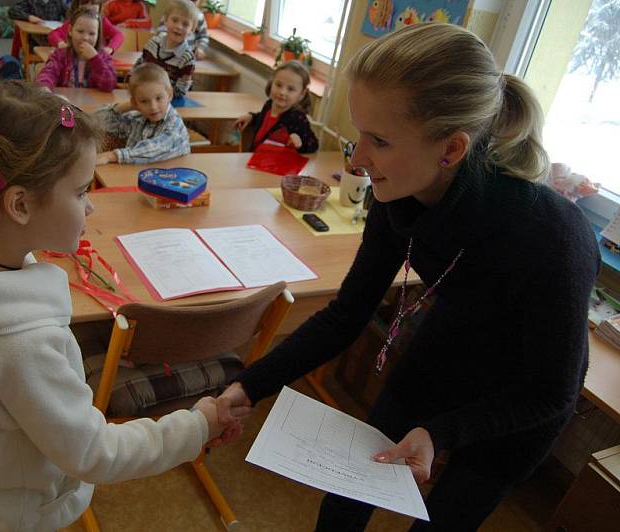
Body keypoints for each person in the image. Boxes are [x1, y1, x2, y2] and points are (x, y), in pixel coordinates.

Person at [216, 22, 600, 531]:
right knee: (347, 496)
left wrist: (440, 434)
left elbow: (552, 391)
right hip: (448, 349)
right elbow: (346, 315)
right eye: (358, 135)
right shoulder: (397, 193)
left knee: (445, 518)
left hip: (523, 397)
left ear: (452, 149)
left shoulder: (552, 237)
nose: (357, 158)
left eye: (378, 141)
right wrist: (248, 387)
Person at [0, 79, 231, 532]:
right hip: (20, 517)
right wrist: (197, 426)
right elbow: (95, 453)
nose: (91, 210)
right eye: (82, 192)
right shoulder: (23, 346)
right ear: (19, 204)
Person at [93, 62, 190, 165]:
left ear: (169, 95)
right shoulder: (137, 117)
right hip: (138, 174)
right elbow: (96, 121)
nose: (153, 107)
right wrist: (125, 106)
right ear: (135, 102)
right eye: (144, 101)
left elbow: (154, 149)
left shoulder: (174, 123)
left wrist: (110, 156)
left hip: (170, 178)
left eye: (158, 98)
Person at [234, 60, 319, 153]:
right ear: (272, 83)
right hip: (255, 157)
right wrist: (252, 117)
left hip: (276, 164)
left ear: (301, 94)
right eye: (278, 85)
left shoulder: (298, 118)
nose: (282, 92)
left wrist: (300, 142)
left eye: (290, 89)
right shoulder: (269, 104)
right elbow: (264, 120)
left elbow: (314, 144)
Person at [36, 6, 116, 91]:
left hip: (94, 103)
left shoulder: (104, 57)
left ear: (98, 35)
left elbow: (109, 85)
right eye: (80, 31)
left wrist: (94, 59)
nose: (85, 38)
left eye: (92, 34)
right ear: (70, 30)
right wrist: (44, 87)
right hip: (66, 102)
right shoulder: (60, 55)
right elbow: (47, 74)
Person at [132, 0, 199, 98]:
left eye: (185, 24)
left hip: (167, 103)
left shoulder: (187, 59)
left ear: (192, 29)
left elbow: (180, 92)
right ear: (165, 21)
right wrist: (131, 80)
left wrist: (156, 94)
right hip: (143, 96)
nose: (179, 27)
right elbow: (138, 67)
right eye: (175, 20)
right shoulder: (153, 43)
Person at [47, 0, 125, 56]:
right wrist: (60, 43)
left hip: (96, 58)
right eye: (85, 12)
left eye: (94, 12)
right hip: (76, 58)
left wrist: (110, 48)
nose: (86, 37)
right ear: (78, 7)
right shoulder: (75, 21)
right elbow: (53, 34)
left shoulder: (102, 21)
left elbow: (119, 35)